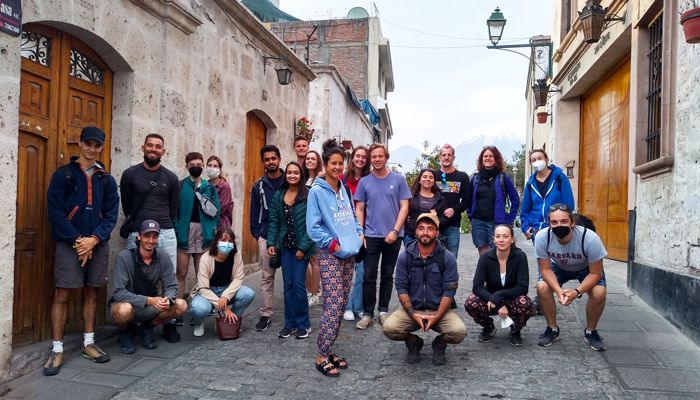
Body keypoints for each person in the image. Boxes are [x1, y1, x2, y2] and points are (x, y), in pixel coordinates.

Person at [43, 126, 120, 376]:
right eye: (88, 143)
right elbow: (55, 212)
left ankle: (88, 343)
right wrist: (79, 241)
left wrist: (94, 240)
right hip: (69, 244)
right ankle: (57, 349)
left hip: (97, 244)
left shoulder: (106, 180)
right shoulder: (63, 175)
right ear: (80, 144)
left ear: (101, 148)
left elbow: (110, 216)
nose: (92, 149)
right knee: (62, 294)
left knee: (91, 293)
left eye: (97, 145)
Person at [306, 139, 364, 377]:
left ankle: (329, 349)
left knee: (340, 304)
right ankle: (321, 354)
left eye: (341, 163)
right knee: (332, 304)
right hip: (330, 254)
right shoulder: (317, 192)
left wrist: (359, 233)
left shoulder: (344, 188)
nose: (338, 167)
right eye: (333, 163)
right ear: (325, 164)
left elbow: (351, 214)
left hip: (350, 253)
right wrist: (333, 244)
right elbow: (313, 227)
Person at [383, 213, 466, 366]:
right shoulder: (405, 257)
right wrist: (413, 315)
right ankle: (413, 341)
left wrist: (436, 316)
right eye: (421, 228)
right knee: (389, 328)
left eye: (430, 228)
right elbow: (401, 288)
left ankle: (439, 343)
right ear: (416, 232)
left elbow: (449, 291)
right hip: (412, 309)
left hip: (439, 310)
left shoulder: (447, 257)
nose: (425, 232)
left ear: (437, 232)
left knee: (458, 332)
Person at [535, 204, 608, 351]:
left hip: (585, 267)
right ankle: (552, 329)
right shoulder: (542, 237)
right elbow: (545, 269)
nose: (559, 225)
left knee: (599, 292)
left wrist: (577, 292)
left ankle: (591, 331)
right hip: (559, 267)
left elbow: (595, 273)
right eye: (554, 222)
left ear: (572, 223)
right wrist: (558, 291)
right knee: (542, 287)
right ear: (549, 223)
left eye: (563, 221)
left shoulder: (590, 239)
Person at [355, 144, 412, 329]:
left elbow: (405, 206)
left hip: (393, 235)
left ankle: (383, 311)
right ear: (371, 159)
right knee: (368, 275)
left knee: (388, 274)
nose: (377, 159)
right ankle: (367, 313)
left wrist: (395, 231)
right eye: (374, 156)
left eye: (380, 156)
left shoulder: (398, 179)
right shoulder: (364, 182)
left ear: (386, 158)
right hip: (371, 235)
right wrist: (360, 231)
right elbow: (360, 208)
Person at [109, 220, 188, 354]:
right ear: (139, 236)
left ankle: (147, 327)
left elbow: (171, 285)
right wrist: (149, 300)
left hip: (150, 307)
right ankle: (124, 332)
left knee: (181, 305)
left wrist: (167, 299)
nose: (151, 241)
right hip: (129, 305)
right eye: (147, 236)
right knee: (124, 310)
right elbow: (118, 292)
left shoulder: (163, 257)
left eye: (154, 236)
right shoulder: (125, 257)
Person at [267, 162, 316, 339]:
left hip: (301, 248)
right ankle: (289, 324)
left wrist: (303, 248)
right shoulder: (279, 195)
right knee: (287, 286)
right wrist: (271, 242)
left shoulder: (309, 195)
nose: (292, 175)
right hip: (285, 248)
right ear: (285, 175)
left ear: (301, 175)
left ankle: (304, 324)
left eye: (296, 173)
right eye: (289, 173)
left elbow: (313, 225)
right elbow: (273, 221)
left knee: (298, 285)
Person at [464, 224, 534, 346]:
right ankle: (488, 326)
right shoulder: (485, 257)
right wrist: (497, 302)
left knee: (526, 304)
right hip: (491, 299)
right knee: (471, 302)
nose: (501, 240)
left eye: (505, 236)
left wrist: (499, 295)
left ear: (512, 239)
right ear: (494, 239)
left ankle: (515, 330)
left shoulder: (520, 256)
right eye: (498, 236)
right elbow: (477, 286)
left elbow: (522, 288)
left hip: (512, 298)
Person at [120, 134, 180, 268]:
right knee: (136, 278)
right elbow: (126, 206)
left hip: (165, 233)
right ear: (143, 147)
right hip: (137, 233)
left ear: (163, 152)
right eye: (150, 145)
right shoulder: (129, 174)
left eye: (158, 147)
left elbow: (173, 209)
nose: (153, 149)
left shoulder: (171, 178)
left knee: (168, 279)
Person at [174, 152, 220, 315]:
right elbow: (175, 211)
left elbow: (216, 211)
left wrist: (212, 228)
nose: (196, 167)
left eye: (199, 165)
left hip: (204, 233)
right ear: (187, 166)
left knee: (202, 274)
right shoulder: (180, 186)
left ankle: (199, 309)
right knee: (181, 273)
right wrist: (178, 228)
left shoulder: (209, 187)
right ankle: (177, 312)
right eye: (192, 165)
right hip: (184, 233)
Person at [189, 228, 255, 337]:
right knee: (198, 309)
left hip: (226, 289)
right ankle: (199, 323)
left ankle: (233, 320)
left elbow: (238, 278)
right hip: (207, 292)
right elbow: (203, 287)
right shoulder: (206, 258)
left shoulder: (236, 255)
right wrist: (225, 309)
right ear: (216, 242)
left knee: (248, 294)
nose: (227, 244)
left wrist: (225, 296)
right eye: (223, 240)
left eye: (230, 241)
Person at [250, 144, 285, 331]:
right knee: (266, 277)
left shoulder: (291, 180)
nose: (271, 162)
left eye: (274, 158)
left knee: (291, 277)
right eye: (267, 159)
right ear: (263, 162)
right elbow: (254, 212)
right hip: (265, 236)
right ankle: (266, 313)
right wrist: (258, 235)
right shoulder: (258, 186)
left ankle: (294, 313)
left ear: (279, 159)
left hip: (288, 237)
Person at [468, 146, 520, 255]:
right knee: (483, 253)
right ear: (481, 159)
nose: (488, 158)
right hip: (478, 222)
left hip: (497, 223)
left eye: (491, 156)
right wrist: (470, 215)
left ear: (496, 159)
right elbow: (468, 198)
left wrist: (509, 219)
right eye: (485, 156)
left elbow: (515, 199)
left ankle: (499, 272)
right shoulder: (475, 178)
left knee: (498, 253)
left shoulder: (502, 177)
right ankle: (486, 272)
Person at [521, 149, 574, 242]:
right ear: (531, 163)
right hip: (537, 229)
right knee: (541, 256)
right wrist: (525, 227)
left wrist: (562, 222)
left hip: (557, 227)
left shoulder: (559, 177)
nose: (537, 161)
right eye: (533, 160)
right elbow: (525, 209)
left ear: (546, 159)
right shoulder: (530, 183)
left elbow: (569, 205)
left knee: (558, 255)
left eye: (540, 158)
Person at [342, 145, 370, 321]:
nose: (360, 159)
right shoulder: (343, 179)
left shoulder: (369, 179)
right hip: (345, 228)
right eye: (357, 156)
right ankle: (347, 306)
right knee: (346, 271)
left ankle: (358, 305)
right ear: (352, 158)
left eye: (363, 157)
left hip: (366, 227)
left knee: (361, 271)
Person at [436, 144, 471, 257]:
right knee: (433, 258)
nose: (446, 157)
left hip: (453, 225)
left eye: (449, 155)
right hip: (435, 224)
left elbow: (467, 200)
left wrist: (454, 210)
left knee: (451, 258)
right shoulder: (433, 176)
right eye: (444, 155)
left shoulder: (462, 177)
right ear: (440, 157)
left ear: (453, 157)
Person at [404, 168, 448, 245]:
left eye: (431, 178)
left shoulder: (440, 198)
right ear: (419, 180)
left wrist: (436, 217)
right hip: (411, 236)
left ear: (434, 181)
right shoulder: (410, 196)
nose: (428, 179)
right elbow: (402, 212)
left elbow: (445, 219)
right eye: (425, 177)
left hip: (432, 238)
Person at [303, 150, 323, 307]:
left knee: (314, 259)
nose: (310, 161)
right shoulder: (303, 178)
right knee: (305, 258)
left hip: (315, 222)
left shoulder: (321, 178)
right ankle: (309, 289)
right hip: (301, 222)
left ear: (318, 162)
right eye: (308, 158)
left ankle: (315, 292)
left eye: (313, 159)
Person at [206, 155, 234, 232]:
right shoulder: (205, 185)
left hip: (221, 227)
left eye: (215, 166)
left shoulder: (224, 186)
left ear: (219, 169)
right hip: (207, 225)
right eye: (209, 165)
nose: (212, 168)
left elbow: (219, 209)